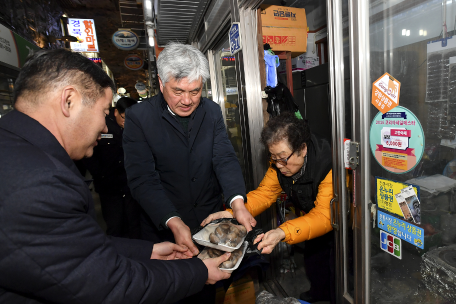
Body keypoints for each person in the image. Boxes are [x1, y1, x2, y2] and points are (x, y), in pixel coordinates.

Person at [0, 49, 232, 304]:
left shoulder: (16, 152)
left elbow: (71, 248)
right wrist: (197, 272)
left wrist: (148, 251)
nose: (105, 126)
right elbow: (106, 284)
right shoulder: (40, 182)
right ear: (69, 101)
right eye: (103, 112)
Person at [123, 42, 249, 251]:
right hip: (165, 223)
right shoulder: (139, 117)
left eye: (195, 91)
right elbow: (143, 178)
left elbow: (224, 158)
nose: (187, 100)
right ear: (162, 84)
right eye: (178, 91)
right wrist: (172, 219)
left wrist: (237, 203)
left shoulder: (211, 111)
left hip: (211, 220)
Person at [202, 112, 335, 304]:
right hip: (310, 224)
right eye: (274, 158)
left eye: (283, 158)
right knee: (315, 263)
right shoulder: (280, 165)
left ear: (302, 149)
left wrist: (281, 232)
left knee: (337, 272)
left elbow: (324, 215)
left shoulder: (328, 163)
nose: (279, 165)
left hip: (344, 227)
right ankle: (318, 295)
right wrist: (232, 212)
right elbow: (264, 194)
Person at [84, 96, 141, 239]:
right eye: (124, 118)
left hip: (129, 187)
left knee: (134, 226)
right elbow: (89, 155)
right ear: (116, 112)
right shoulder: (100, 124)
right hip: (109, 188)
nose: (126, 122)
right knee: (115, 227)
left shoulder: (136, 127)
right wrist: (100, 175)